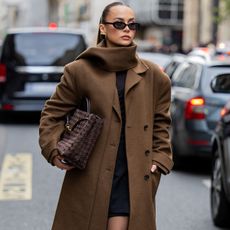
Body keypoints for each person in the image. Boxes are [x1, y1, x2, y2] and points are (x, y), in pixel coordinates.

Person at [39, 2, 173, 230]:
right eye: (119, 24)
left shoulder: (155, 77)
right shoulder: (80, 70)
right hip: (91, 170)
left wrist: (159, 160)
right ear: (103, 28)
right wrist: (53, 150)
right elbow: (52, 113)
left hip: (132, 174)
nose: (127, 29)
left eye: (132, 25)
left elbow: (161, 123)